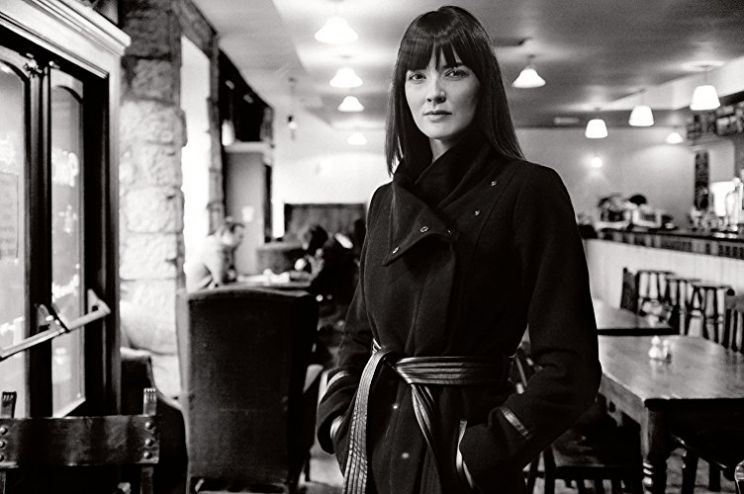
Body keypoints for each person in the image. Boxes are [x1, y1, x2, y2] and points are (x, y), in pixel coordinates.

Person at [316, 6, 600, 494]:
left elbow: (571, 366)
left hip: (461, 461)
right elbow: (359, 335)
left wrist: (479, 454)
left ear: (484, 85)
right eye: (417, 76)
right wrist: (340, 421)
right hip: (377, 448)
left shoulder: (528, 190)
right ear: (402, 91)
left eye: (453, 72)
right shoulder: (386, 201)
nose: (434, 92)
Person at [184, 218, 245, 291]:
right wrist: (230, 275)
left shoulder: (213, 243)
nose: (241, 241)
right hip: (200, 293)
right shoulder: (216, 249)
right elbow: (220, 283)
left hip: (202, 290)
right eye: (240, 237)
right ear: (227, 234)